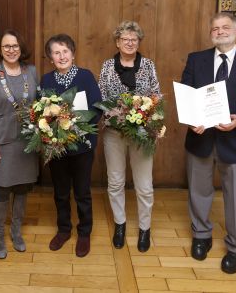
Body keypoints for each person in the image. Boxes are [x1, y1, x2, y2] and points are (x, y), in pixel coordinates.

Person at [180, 12, 236, 274]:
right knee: (199, 190)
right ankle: (201, 235)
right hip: (201, 138)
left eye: (225, 27)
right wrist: (191, 119)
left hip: (235, 141)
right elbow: (187, 95)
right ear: (210, 33)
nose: (219, 31)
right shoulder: (195, 60)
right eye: (215, 28)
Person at [98, 21, 161, 253]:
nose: (130, 42)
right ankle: (120, 224)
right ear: (117, 42)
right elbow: (101, 96)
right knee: (115, 182)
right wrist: (117, 116)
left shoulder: (148, 65)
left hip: (142, 133)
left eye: (134, 39)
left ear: (138, 42)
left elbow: (156, 96)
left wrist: (144, 116)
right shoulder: (107, 66)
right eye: (125, 39)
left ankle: (145, 228)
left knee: (144, 185)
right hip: (114, 133)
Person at [40, 34, 102, 258]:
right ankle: (64, 229)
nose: (61, 56)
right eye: (56, 52)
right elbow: (41, 111)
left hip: (82, 146)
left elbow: (97, 108)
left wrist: (76, 127)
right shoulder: (46, 80)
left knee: (82, 192)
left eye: (65, 51)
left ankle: (84, 233)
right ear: (50, 58)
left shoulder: (85, 76)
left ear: (73, 54)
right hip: (57, 146)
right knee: (60, 191)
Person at [0, 29, 39, 259]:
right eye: (6, 46)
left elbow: (39, 105)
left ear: (21, 48)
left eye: (15, 46)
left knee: (22, 188)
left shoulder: (31, 71)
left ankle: (16, 232)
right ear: (0, 50)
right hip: (2, 141)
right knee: (3, 190)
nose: (11, 50)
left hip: (27, 141)